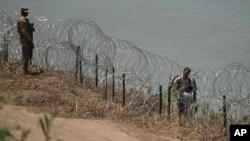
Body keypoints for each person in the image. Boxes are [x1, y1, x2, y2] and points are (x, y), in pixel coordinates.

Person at [17, 7, 35, 75]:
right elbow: (23, 31)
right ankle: (25, 71)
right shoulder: (22, 20)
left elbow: (26, 29)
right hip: (25, 40)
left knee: (27, 55)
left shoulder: (25, 20)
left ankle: (26, 70)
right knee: (26, 55)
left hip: (27, 40)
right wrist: (29, 40)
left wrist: (31, 28)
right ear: (23, 12)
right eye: (26, 12)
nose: (28, 13)